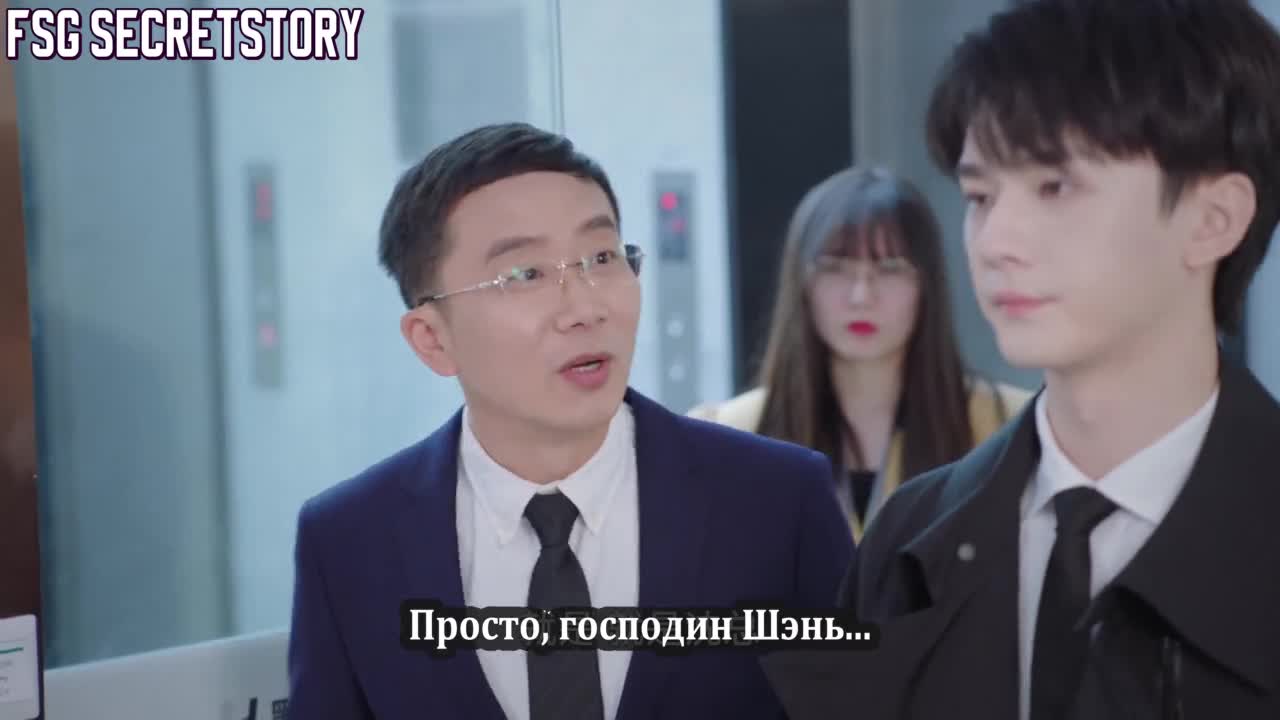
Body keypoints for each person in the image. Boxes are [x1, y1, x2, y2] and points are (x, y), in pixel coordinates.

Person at [761, 0, 1280, 718]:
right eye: (980, 195)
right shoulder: (909, 537)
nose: (994, 241)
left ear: (1213, 219)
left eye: (1054, 187)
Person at [286, 122, 854, 720]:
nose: (585, 307)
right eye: (524, 274)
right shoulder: (350, 543)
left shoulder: (776, 503)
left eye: (602, 257)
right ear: (432, 339)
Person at [689, 166, 1030, 541]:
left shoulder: (1012, 427)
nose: (861, 296)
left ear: (926, 284)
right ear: (802, 283)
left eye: (890, 268)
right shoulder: (726, 436)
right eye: (835, 269)